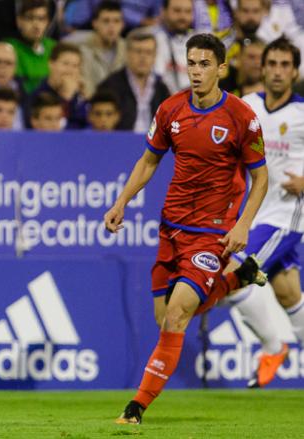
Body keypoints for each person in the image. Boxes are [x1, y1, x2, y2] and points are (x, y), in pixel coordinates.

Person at [105, 33, 269, 424]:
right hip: (172, 226)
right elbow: (148, 162)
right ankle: (235, 280)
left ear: (221, 68)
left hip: (213, 233)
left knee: (177, 314)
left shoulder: (241, 117)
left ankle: (135, 408)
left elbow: (260, 178)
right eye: (191, 63)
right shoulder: (170, 110)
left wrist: (243, 224)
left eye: (204, 64)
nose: (196, 72)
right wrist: (121, 200)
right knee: (165, 317)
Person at [222, 36, 304, 389]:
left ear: (295, 72)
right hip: (254, 212)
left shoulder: (302, 114)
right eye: (272, 64)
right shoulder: (247, 106)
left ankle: (273, 345)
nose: (277, 72)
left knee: (227, 274)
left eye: (285, 65)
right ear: (262, 67)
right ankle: (278, 346)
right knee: (288, 293)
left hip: (287, 218)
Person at [96, 28, 170, 133]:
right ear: (127, 54)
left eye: (148, 52)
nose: (143, 57)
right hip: (121, 143)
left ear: (154, 56)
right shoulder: (110, 86)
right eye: (138, 51)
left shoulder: (162, 88)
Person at [63, 1, 126, 99]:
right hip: (87, 103)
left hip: (119, 107)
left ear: (122, 24)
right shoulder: (76, 45)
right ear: (95, 23)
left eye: (116, 21)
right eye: (106, 21)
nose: (111, 26)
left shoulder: (128, 50)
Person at [29, 42, 87, 129]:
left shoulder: (79, 97)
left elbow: (87, 126)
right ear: (51, 64)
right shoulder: (37, 96)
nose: (70, 71)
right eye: (65, 64)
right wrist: (66, 99)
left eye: (75, 66)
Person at [5, 0, 56, 94]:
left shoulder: (54, 47)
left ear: (48, 22)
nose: (36, 25)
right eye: (30, 18)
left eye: (41, 19)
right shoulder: (8, 49)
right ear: (19, 21)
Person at [153, 0, 194, 94]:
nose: (183, 17)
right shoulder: (152, 39)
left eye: (188, 11)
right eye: (177, 10)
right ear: (163, 12)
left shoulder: (200, 41)